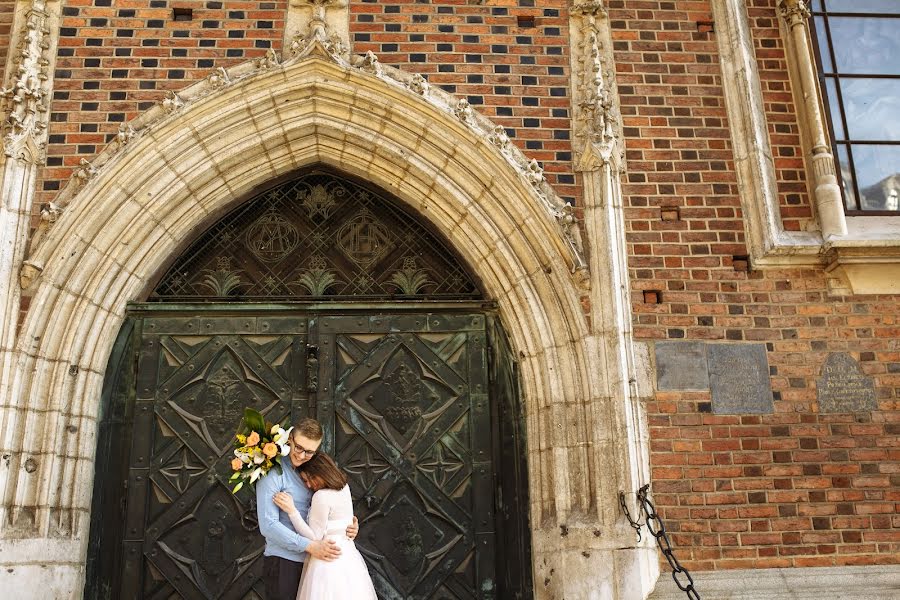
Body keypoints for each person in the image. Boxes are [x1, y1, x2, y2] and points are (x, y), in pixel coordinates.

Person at [256, 418, 358, 600]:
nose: (302, 455)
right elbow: (268, 525)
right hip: (284, 562)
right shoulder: (273, 473)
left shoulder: (313, 471)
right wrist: (310, 546)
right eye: (299, 448)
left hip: (316, 566)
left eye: (309, 452)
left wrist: (347, 526)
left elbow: (327, 508)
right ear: (290, 440)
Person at [274, 452, 377, 600]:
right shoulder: (344, 488)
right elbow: (343, 521)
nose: (309, 485)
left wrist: (291, 511)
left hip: (327, 562)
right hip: (348, 559)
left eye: (311, 478)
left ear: (322, 472)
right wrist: (353, 525)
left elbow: (314, 537)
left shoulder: (321, 496)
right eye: (304, 481)